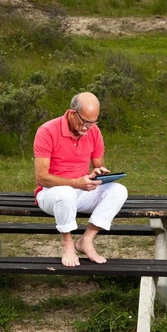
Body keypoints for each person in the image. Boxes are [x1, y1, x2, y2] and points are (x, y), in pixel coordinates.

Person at [34, 92, 128, 267]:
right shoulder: (47, 131)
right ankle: (67, 244)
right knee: (66, 193)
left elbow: (99, 165)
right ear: (72, 113)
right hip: (51, 194)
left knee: (119, 190)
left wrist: (100, 173)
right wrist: (76, 183)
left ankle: (86, 240)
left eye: (94, 122)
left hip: (81, 190)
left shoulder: (94, 131)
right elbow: (41, 178)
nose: (89, 127)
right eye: (85, 121)